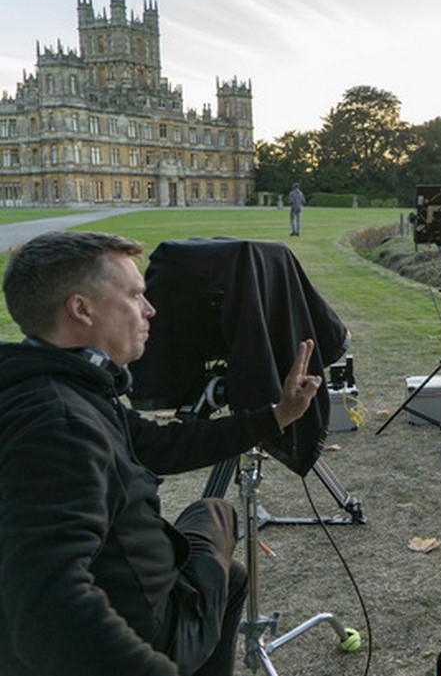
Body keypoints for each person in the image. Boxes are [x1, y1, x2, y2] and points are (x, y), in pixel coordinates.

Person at [0, 231, 323, 676]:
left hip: (128, 584)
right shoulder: (61, 424)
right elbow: (45, 606)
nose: (151, 310)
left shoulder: (58, 385)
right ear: (81, 309)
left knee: (219, 539)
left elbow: (160, 446)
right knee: (219, 525)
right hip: (148, 623)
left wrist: (278, 416)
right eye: (135, 296)